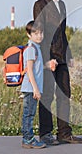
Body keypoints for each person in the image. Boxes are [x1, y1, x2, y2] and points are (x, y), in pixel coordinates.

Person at [33, 0, 82, 145]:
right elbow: (40, 34)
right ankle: (46, 134)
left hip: (62, 56)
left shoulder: (61, 5)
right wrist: (47, 59)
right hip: (48, 58)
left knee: (64, 94)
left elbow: (62, 32)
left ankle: (64, 133)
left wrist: (68, 54)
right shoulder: (40, 4)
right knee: (47, 96)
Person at [21, 20, 57, 149]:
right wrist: (36, 89)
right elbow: (29, 70)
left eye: (41, 33)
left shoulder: (37, 48)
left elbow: (38, 67)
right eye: (35, 33)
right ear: (29, 35)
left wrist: (48, 65)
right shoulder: (31, 49)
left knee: (30, 113)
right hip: (31, 88)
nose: (39, 36)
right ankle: (27, 139)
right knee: (28, 114)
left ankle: (28, 138)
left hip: (33, 88)